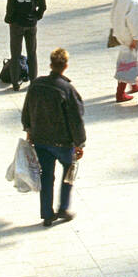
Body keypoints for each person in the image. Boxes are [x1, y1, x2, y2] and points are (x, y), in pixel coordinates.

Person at [21, 48, 86, 227]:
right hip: (63, 143)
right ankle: (64, 207)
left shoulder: (36, 84)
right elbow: (76, 119)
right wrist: (80, 143)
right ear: (65, 66)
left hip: (41, 141)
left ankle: (47, 214)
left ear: (50, 64)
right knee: (69, 170)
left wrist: (29, 130)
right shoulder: (67, 89)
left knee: (46, 176)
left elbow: (27, 109)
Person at [5, 0, 47, 91]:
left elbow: (10, 7)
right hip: (31, 23)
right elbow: (43, 5)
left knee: (15, 53)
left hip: (17, 24)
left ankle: (15, 82)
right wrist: (36, 17)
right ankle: (33, 80)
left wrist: (9, 21)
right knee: (32, 52)